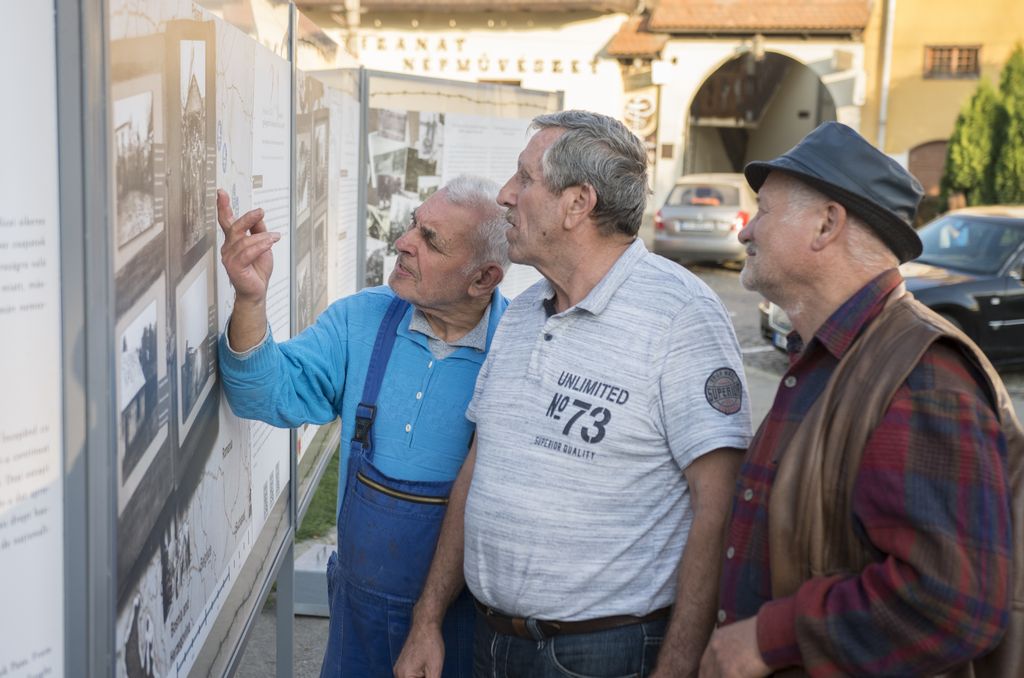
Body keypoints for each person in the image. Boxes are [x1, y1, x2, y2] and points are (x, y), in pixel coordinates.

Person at [395, 110, 752, 677]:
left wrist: (679, 666)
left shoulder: (680, 314)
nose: (506, 196)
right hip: (491, 642)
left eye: (525, 178)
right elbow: (480, 467)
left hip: (603, 654)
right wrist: (428, 618)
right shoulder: (522, 313)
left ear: (578, 203)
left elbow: (720, 501)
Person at [700, 121, 1024, 678]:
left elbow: (951, 604)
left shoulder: (921, 374)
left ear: (827, 224)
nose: (747, 233)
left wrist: (766, 640)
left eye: (766, 211)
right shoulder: (831, 354)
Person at [216, 175, 511, 678]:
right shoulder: (361, 320)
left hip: (466, 629)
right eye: (414, 224)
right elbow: (262, 394)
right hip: (359, 620)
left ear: (483, 279)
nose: (403, 242)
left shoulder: (519, 349)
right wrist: (250, 300)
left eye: (430, 240)